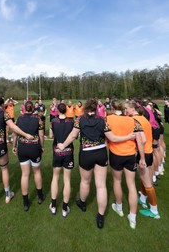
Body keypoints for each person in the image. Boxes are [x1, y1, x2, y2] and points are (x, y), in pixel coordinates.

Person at [58, 98, 136, 229]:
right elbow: (112, 138)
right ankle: (100, 215)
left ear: (86, 108)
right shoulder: (102, 120)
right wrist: (128, 137)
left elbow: (72, 135)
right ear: (96, 109)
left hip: (86, 154)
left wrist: (62, 145)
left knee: (85, 182)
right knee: (101, 186)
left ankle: (82, 202)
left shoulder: (80, 119)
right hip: (100, 153)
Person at [0, 97, 33, 210]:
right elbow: (13, 126)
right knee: (4, 169)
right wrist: (25, 134)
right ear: (1, 104)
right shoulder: (4, 113)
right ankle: (7, 195)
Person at [106, 99, 146, 230]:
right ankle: (132, 217)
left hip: (116, 154)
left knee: (117, 181)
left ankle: (119, 207)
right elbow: (140, 141)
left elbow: (106, 138)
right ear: (123, 108)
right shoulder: (133, 120)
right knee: (131, 185)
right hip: (130, 155)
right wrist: (142, 159)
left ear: (112, 107)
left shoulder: (108, 119)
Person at [125, 100, 160, 219]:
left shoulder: (134, 120)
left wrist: (138, 153)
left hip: (143, 153)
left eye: (127, 109)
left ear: (132, 109)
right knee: (144, 177)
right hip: (148, 151)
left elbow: (142, 139)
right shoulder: (144, 118)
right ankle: (143, 199)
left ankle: (154, 211)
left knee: (147, 182)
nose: (126, 111)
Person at [12, 100, 45, 212]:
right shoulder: (38, 119)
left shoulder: (19, 119)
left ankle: (25, 202)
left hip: (23, 148)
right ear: (33, 109)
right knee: (36, 172)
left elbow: (15, 134)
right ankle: (40, 196)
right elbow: (41, 135)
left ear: (24, 108)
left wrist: (14, 146)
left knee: (25, 174)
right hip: (34, 148)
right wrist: (42, 147)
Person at [49, 103, 74, 217]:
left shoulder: (53, 121)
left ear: (58, 111)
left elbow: (50, 136)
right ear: (66, 110)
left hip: (57, 152)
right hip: (68, 152)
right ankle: (64, 208)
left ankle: (54, 206)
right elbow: (75, 136)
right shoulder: (71, 122)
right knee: (67, 180)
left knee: (55, 178)